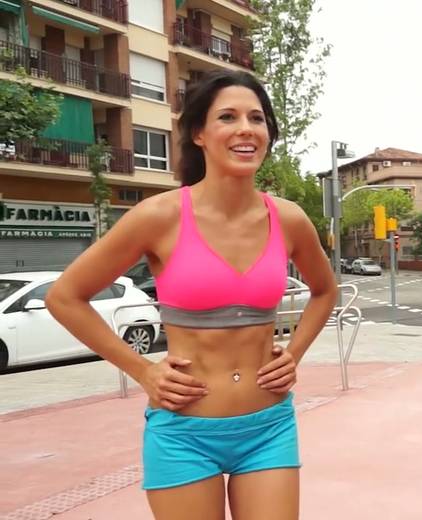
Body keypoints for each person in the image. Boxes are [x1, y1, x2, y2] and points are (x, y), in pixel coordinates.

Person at [46, 69, 337, 520]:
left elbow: (324, 290)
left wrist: (294, 354)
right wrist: (143, 370)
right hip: (183, 433)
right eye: (228, 117)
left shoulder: (289, 219)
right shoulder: (158, 216)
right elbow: (65, 297)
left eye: (257, 118)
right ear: (199, 133)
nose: (246, 128)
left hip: (269, 427)